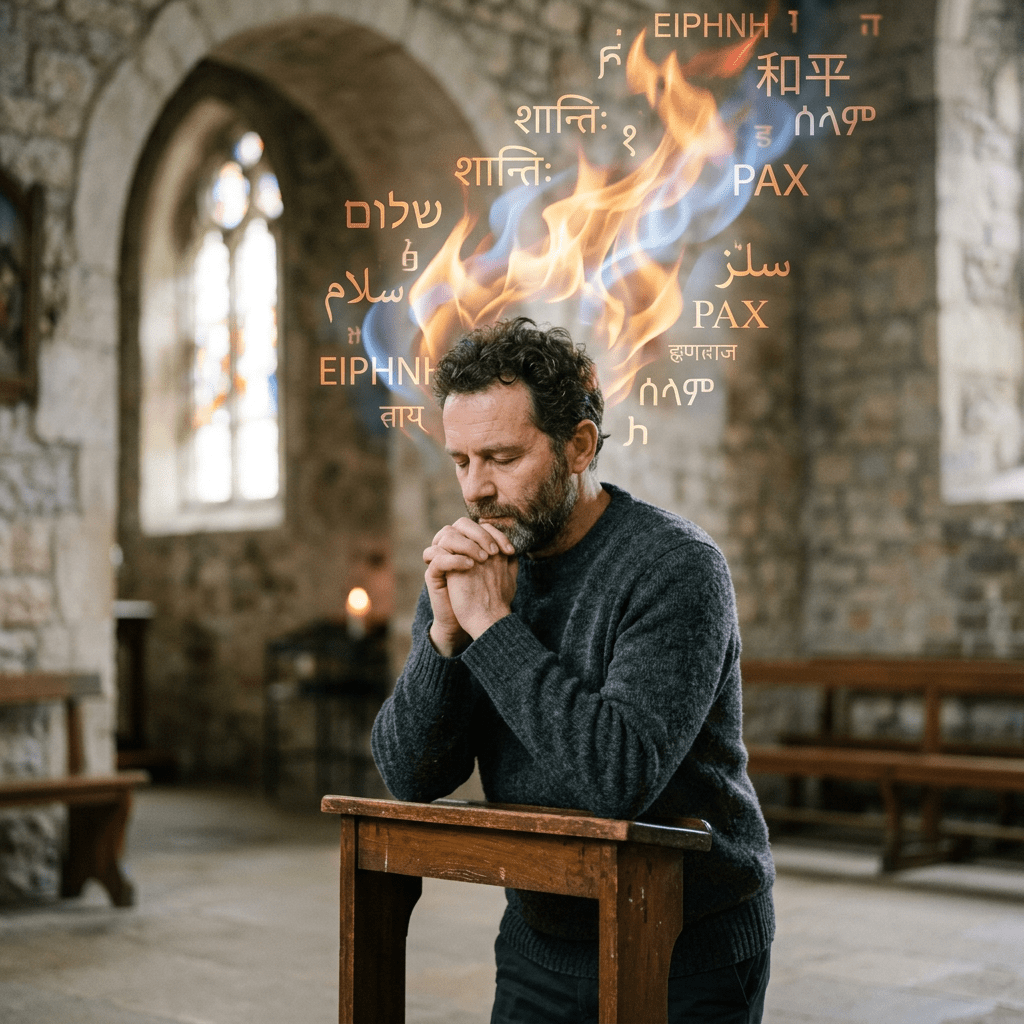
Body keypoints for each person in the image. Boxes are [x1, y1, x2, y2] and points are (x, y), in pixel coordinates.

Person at [371, 317, 774, 1023]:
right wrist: (443, 636)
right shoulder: (476, 568)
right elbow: (409, 775)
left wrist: (493, 628)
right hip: (540, 939)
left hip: (684, 943)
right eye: (461, 461)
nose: (476, 491)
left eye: (501, 457)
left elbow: (614, 778)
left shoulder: (676, 567)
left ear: (579, 446)